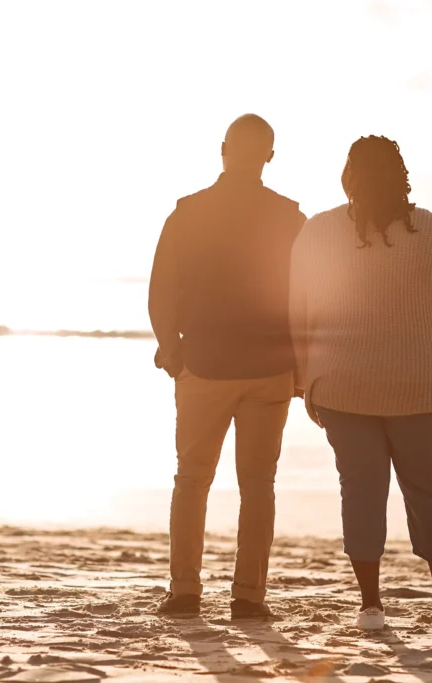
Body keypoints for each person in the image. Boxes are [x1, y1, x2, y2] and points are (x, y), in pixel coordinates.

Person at [289, 135, 432, 630]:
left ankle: (371, 609)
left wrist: (305, 382)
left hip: (341, 389)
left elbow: (299, 315)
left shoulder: (317, 233)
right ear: (401, 176)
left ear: (349, 176)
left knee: (360, 491)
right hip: (421, 390)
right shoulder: (430, 232)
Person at [148, 114, 307, 619]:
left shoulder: (188, 212)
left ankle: (185, 591)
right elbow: (309, 298)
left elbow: (160, 292)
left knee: (192, 479)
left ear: (222, 149)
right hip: (269, 370)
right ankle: (249, 597)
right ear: (271, 156)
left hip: (205, 364)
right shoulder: (289, 217)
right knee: (258, 484)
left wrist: (171, 350)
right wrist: (302, 365)